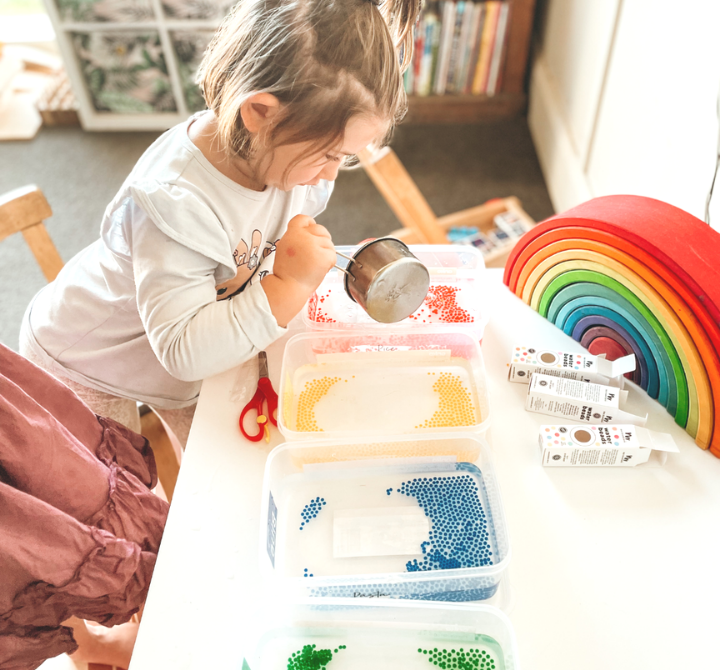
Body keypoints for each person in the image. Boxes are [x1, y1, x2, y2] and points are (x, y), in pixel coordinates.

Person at [19, 0, 420, 447]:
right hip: (89, 361)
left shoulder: (279, 155)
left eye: (344, 158)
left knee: (227, 460)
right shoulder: (175, 204)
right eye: (328, 154)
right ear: (261, 113)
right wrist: (286, 284)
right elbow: (183, 353)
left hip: (189, 337)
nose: (330, 175)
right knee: (122, 498)